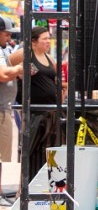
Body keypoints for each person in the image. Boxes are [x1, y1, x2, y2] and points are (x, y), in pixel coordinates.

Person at [9, 26, 60, 178]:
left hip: (51, 111)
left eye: (48, 38)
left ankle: (47, 184)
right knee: (31, 151)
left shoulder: (49, 58)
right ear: (33, 41)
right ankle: (27, 187)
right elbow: (7, 68)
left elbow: (54, 81)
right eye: (44, 39)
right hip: (33, 112)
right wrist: (19, 75)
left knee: (50, 151)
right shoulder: (24, 54)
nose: (48, 42)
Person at [0, 16, 24, 161]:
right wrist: (19, 69)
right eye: (6, 34)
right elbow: (2, 74)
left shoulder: (3, 51)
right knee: (4, 159)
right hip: (1, 111)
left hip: (3, 109)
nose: (9, 38)